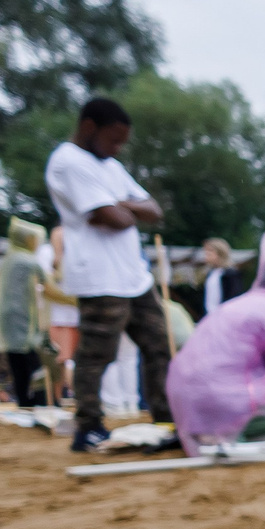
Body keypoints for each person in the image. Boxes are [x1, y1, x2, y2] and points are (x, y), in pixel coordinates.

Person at [45, 97, 172, 450]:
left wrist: (121, 203)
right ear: (89, 128)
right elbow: (113, 220)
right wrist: (124, 207)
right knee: (97, 354)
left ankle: (165, 417)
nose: (117, 149)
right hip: (99, 277)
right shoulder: (68, 162)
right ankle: (88, 425)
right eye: (113, 140)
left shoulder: (109, 165)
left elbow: (152, 210)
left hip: (135, 276)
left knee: (158, 345)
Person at [165, 233, 265, 453]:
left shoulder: (236, 305)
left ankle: (218, 431)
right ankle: (235, 433)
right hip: (221, 398)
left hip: (182, 398)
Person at [0, 218, 48, 406]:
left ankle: (25, 402)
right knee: (33, 361)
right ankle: (40, 401)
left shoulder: (9, 259)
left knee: (17, 362)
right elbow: (48, 287)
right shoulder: (27, 261)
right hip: (23, 319)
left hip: (9, 318)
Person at [42, 225, 78, 404]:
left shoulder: (47, 254)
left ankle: (61, 397)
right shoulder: (47, 254)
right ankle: (60, 397)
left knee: (63, 359)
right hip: (62, 317)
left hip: (64, 318)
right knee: (63, 359)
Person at [198, 238, 253, 313]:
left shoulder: (231, 274)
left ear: (220, 253)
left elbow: (234, 298)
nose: (206, 256)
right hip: (210, 315)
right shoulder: (211, 273)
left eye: (209, 252)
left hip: (224, 315)